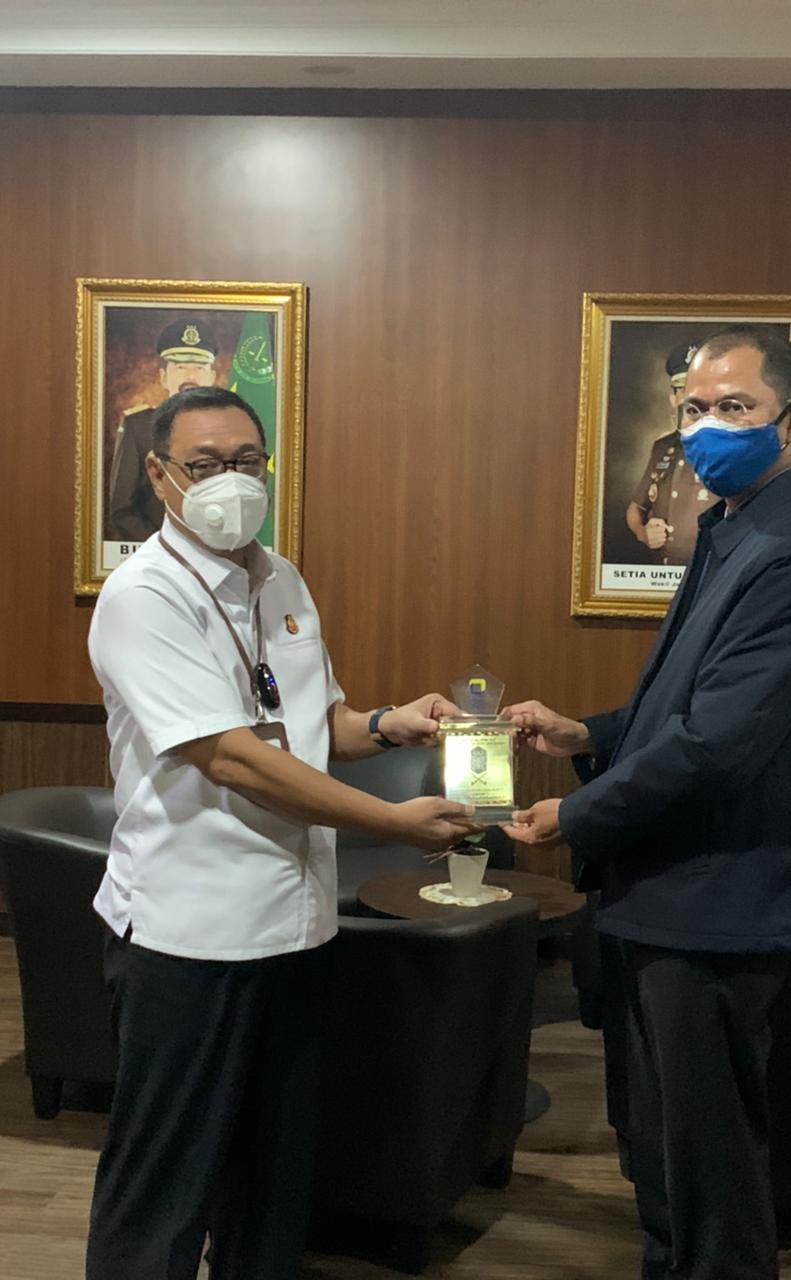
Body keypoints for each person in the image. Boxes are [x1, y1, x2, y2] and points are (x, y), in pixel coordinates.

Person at [85, 384, 480, 1280]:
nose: (229, 481)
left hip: (296, 925)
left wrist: (389, 724)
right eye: (204, 465)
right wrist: (392, 821)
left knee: (272, 1173)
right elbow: (234, 758)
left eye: (245, 461)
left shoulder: (282, 578)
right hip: (191, 934)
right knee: (164, 1182)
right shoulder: (143, 596)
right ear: (158, 474)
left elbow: (312, 721)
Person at [503, 326, 791, 1280]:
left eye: (735, 408)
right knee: (663, 1148)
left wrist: (574, 816)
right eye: (695, 408)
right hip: (674, 889)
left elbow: (716, 745)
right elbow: (681, 706)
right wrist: (584, 734)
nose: (709, 427)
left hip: (722, 898)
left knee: (709, 1168)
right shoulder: (734, 527)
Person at [108, 317, 219, 542]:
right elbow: (122, 509)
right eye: (180, 367)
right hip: (157, 549)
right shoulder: (138, 427)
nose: (190, 376)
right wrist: (165, 547)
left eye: (199, 367)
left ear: (212, 377)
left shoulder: (228, 431)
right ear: (163, 377)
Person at [626, 341, 716, 565]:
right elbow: (635, 509)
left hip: (707, 571)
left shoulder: (727, 446)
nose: (690, 397)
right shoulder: (662, 447)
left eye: (698, 388)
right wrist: (643, 532)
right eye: (683, 389)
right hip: (663, 572)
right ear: (673, 398)